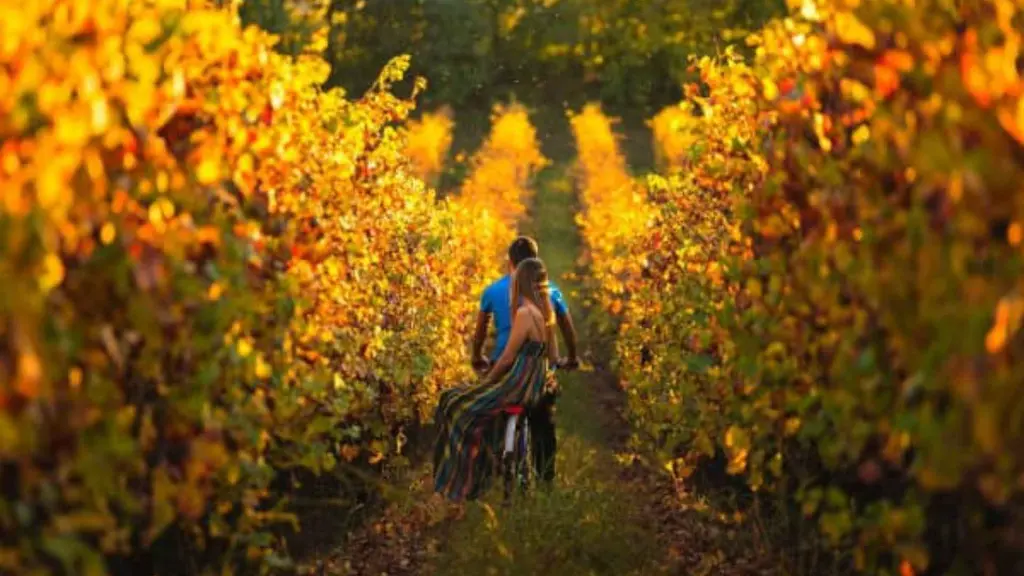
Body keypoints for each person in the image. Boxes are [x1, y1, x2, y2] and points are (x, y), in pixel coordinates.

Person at [433, 257, 562, 501]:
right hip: (535, 385)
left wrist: (487, 381)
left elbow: (506, 358)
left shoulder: (524, 313)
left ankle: (456, 482)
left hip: (518, 384)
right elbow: (554, 356)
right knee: (469, 404)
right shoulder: (547, 314)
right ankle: (483, 473)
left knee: (453, 402)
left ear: (521, 283)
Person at [472, 236, 579, 484]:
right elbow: (567, 331)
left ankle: (489, 468)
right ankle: (545, 480)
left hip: (505, 367)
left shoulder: (493, 291)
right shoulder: (550, 292)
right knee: (543, 424)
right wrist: (571, 358)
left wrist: (477, 357)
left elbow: (480, 334)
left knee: (488, 415)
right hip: (538, 371)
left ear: (510, 262)